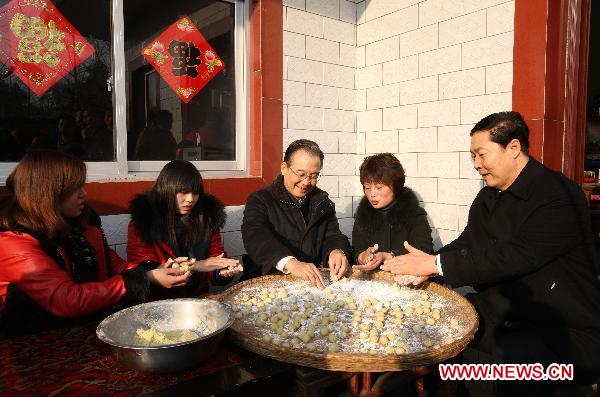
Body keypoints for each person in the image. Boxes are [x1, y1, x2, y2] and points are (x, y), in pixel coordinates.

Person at [381, 111, 600, 395]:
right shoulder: (488, 196)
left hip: (561, 327)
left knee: (513, 361)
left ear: (513, 147)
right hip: (503, 312)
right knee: (440, 323)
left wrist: (436, 264)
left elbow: (516, 255)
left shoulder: (559, 194)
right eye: (472, 156)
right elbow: (467, 243)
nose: (476, 165)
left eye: (481, 155)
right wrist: (414, 268)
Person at [0, 150, 190, 338]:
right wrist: (146, 278)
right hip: (28, 349)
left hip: (84, 334)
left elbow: (112, 265)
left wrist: (156, 269)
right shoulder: (14, 240)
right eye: (75, 188)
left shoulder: (79, 226)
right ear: (48, 192)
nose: (84, 194)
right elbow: (66, 299)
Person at [241, 139, 351, 289]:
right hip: (269, 282)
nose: (306, 182)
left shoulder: (322, 202)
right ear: (284, 168)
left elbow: (332, 235)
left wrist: (337, 250)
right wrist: (289, 263)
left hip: (313, 283)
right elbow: (255, 236)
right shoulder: (261, 200)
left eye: (314, 176)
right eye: (301, 174)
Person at [127, 160, 241, 296]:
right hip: (159, 303)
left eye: (195, 193)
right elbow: (146, 271)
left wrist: (222, 272)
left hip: (198, 298)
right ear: (166, 189)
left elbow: (215, 259)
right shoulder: (144, 222)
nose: (190, 199)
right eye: (183, 192)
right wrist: (197, 265)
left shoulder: (206, 218)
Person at [352, 153, 433, 281]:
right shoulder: (363, 216)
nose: (372, 194)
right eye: (367, 187)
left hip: (409, 282)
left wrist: (388, 256)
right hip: (374, 283)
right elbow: (357, 250)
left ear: (395, 186)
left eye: (379, 187)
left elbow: (424, 250)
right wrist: (362, 256)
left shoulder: (414, 214)